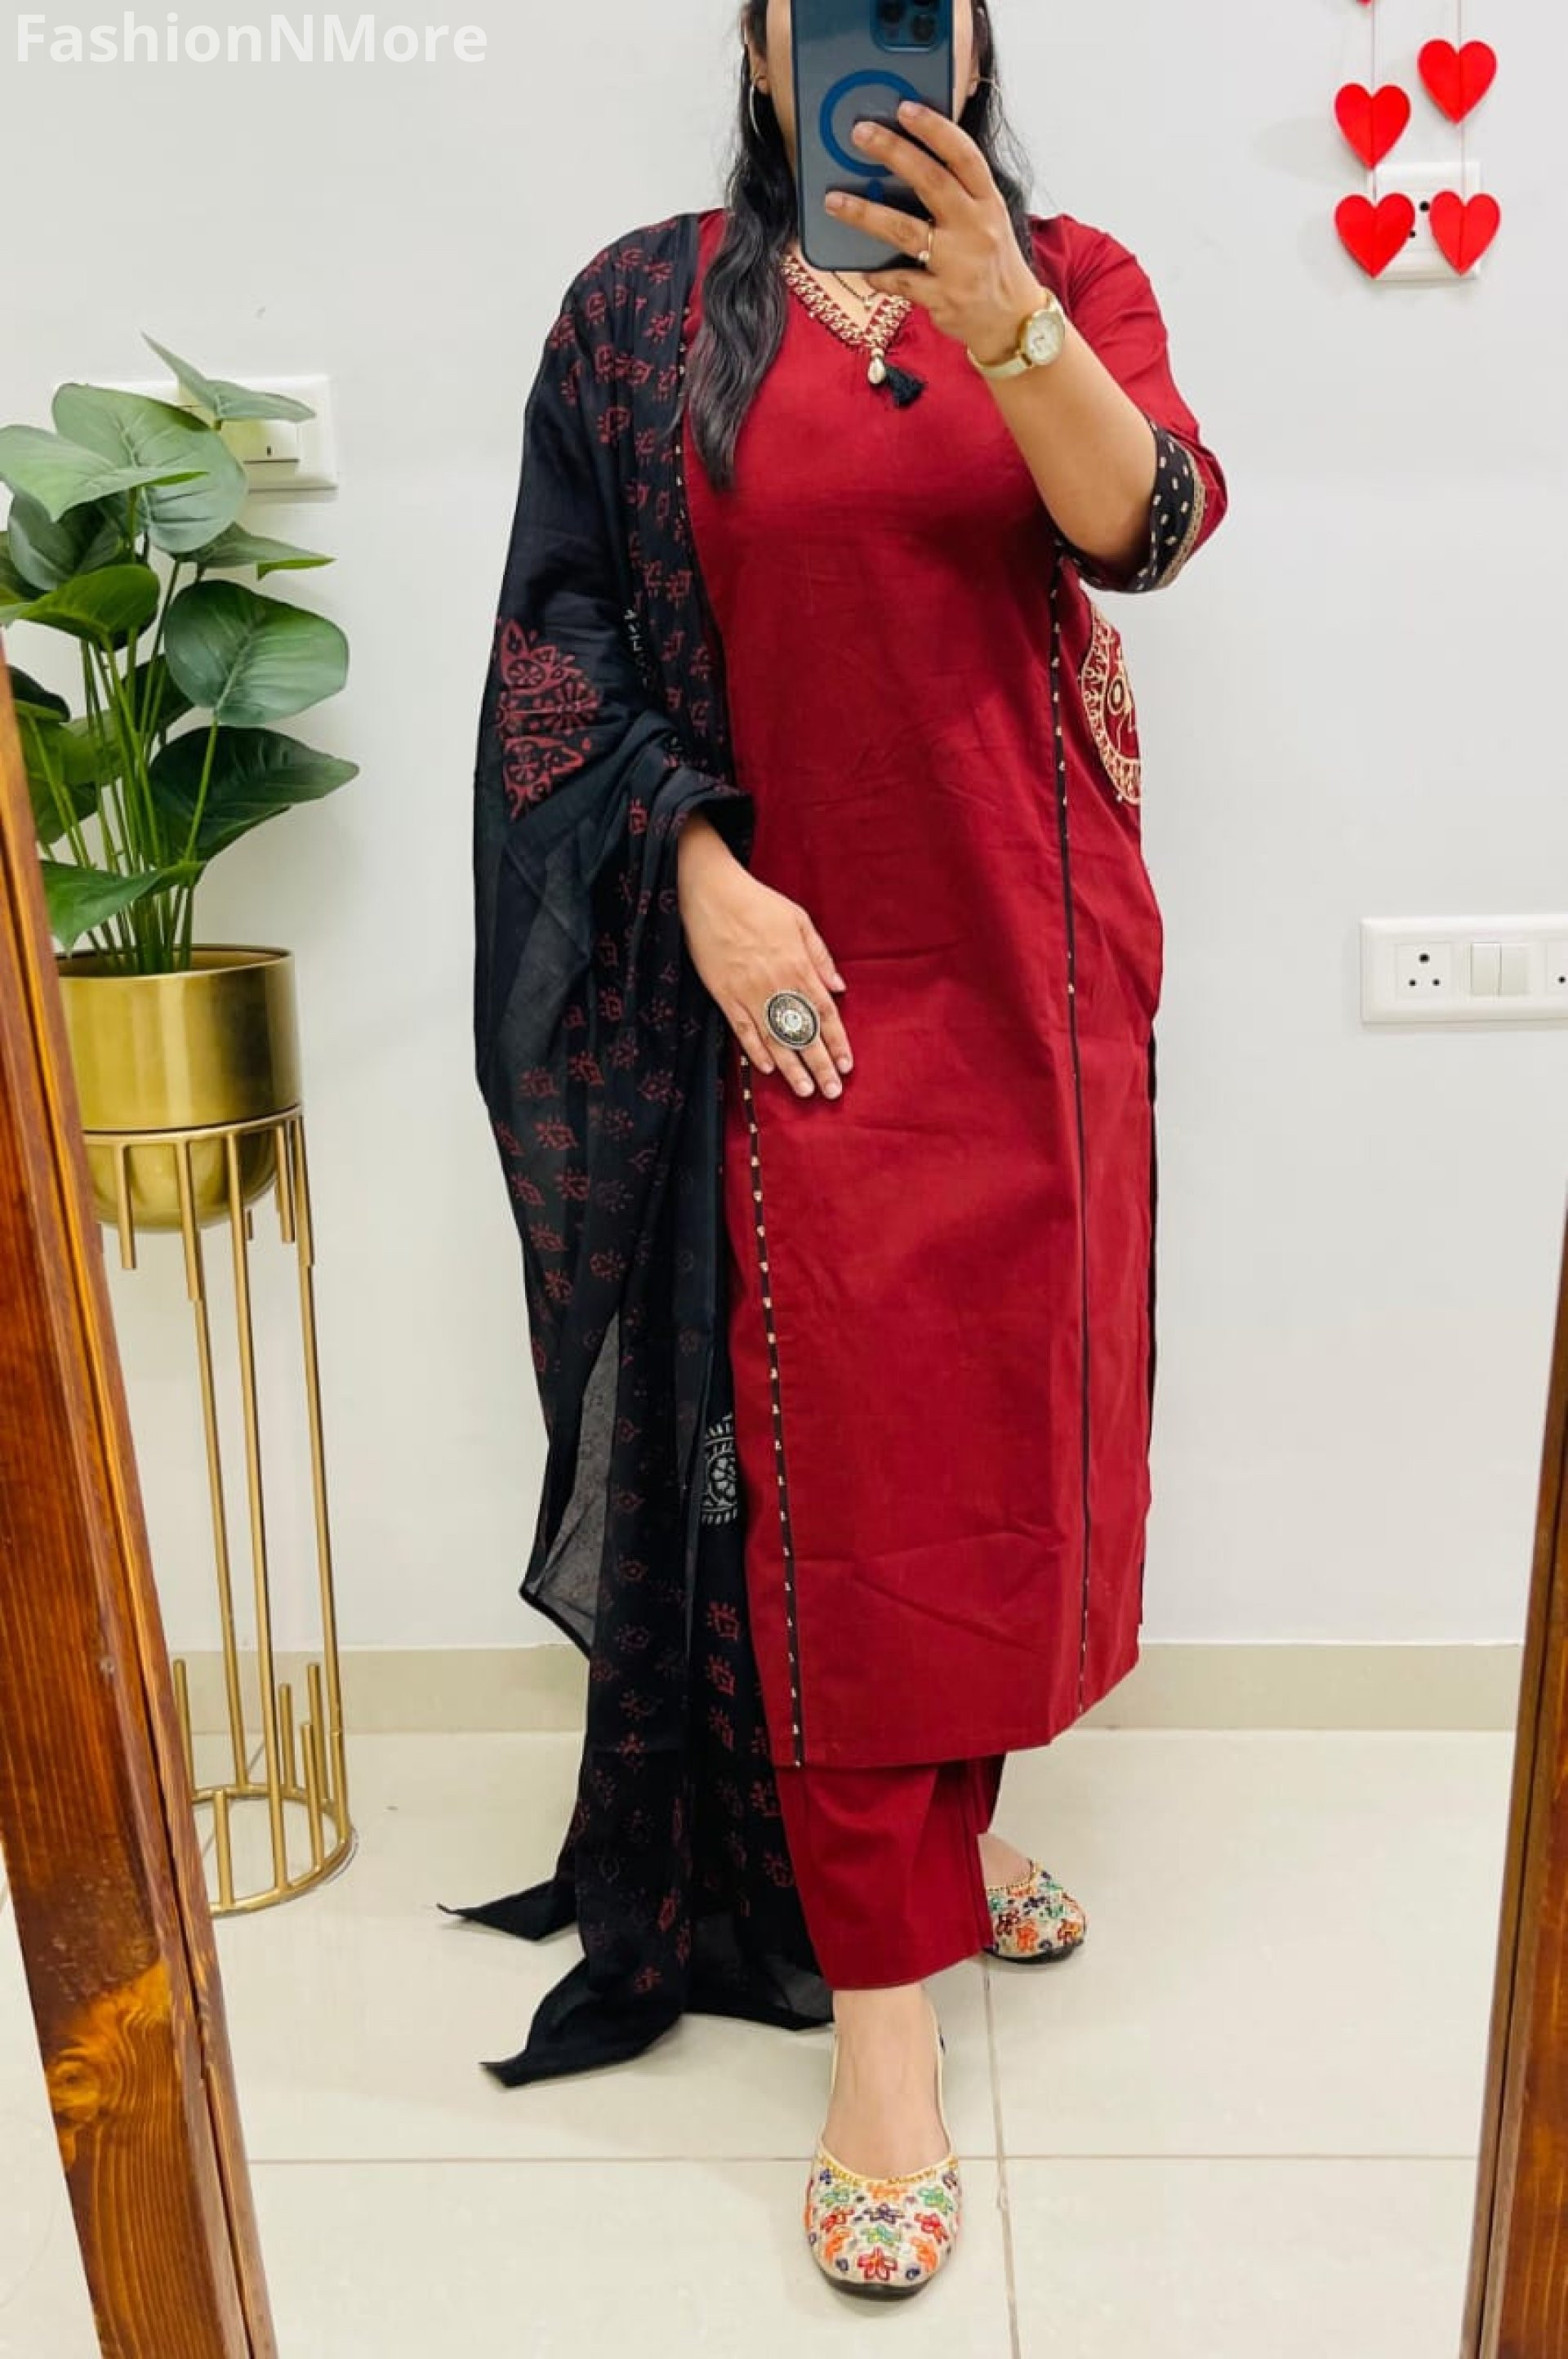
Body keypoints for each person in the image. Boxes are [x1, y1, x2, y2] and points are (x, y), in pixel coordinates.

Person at [444, 0, 1228, 2302]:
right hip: (806, 996)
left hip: (1043, 978)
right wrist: (693, 873)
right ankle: (883, 2048)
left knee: (1014, 1457)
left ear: (974, 45)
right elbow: (557, 657)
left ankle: (943, 1849)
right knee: (856, 1501)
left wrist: (1007, 325)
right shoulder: (648, 314)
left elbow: (1152, 523)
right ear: (766, 41)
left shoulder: (1072, 279)